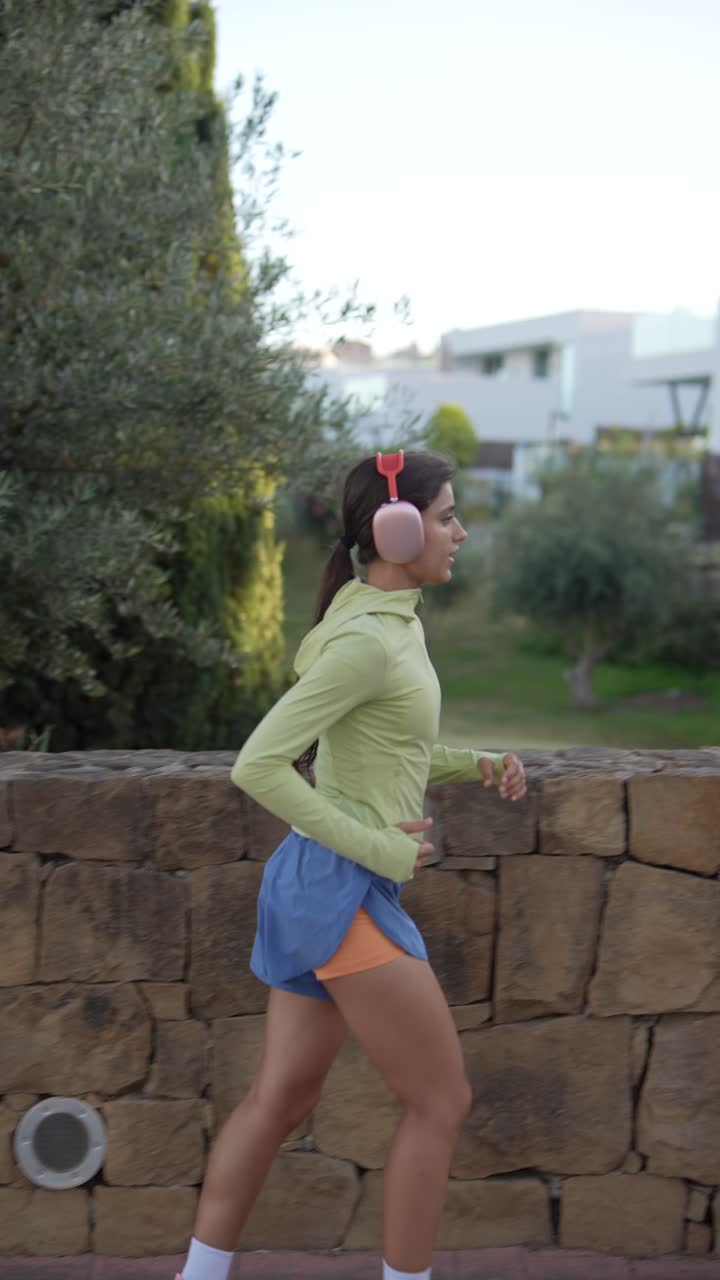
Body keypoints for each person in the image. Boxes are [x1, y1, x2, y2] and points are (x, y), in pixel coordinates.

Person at [176, 449, 526, 1280]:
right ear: (397, 530)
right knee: (442, 1102)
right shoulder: (367, 641)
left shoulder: (384, 623)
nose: (460, 531)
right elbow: (258, 764)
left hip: (318, 889)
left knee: (281, 1102)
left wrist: (469, 761)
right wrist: (384, 847)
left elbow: (386, 747)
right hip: (339, 893)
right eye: (446, 516)